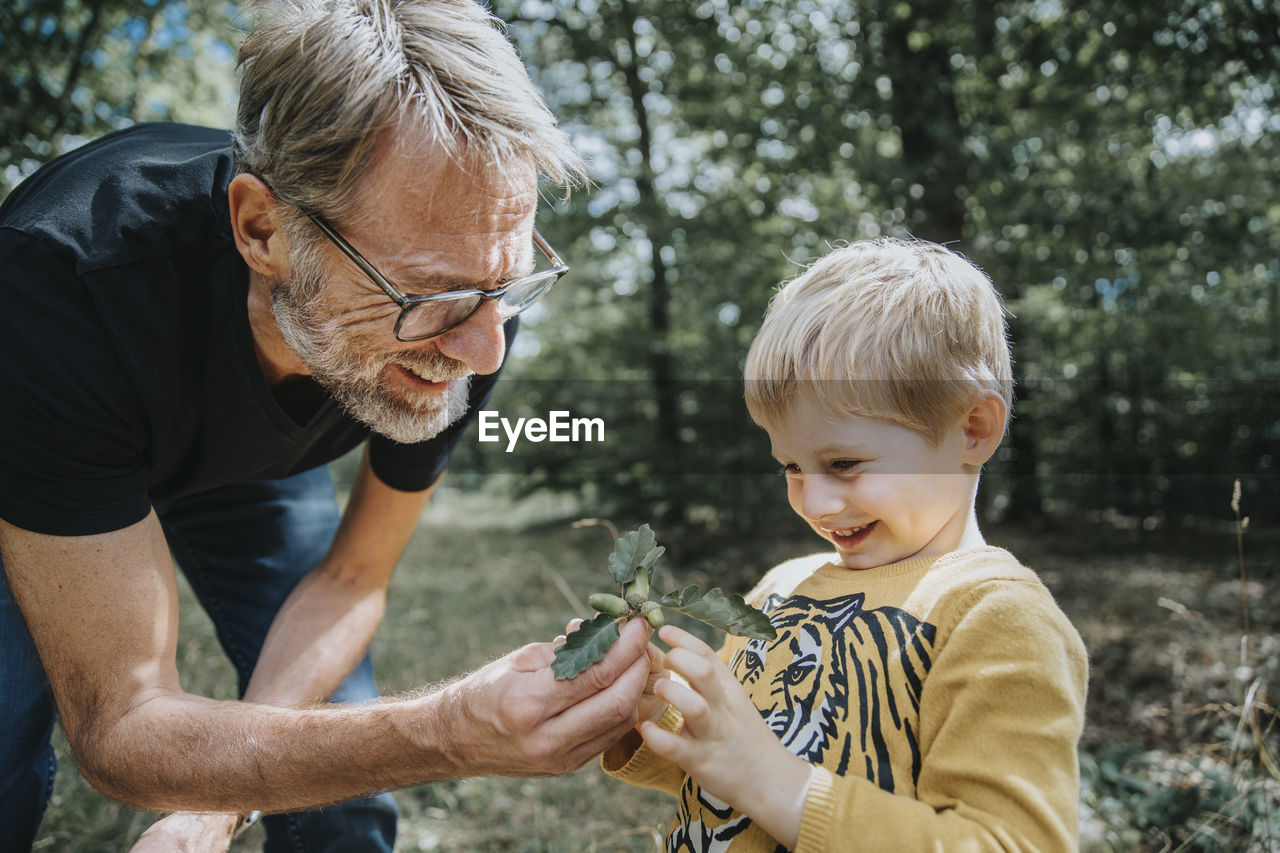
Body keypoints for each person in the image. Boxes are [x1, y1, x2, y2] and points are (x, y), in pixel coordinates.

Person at [0, 1, 653, 851]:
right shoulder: (61, 287)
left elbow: (351, 578)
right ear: (261, 228)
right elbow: (120, 729)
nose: (486, 352)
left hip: (249, 469)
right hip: (39, 444)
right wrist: (447, 730)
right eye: (431, 297)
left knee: (337, 768)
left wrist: (217, 802)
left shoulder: (472, 300)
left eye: (509, 287)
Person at [601, 237, 1089, 851]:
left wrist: (778, 785)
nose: (814, 501)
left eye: (845, 463)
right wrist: (649, 715)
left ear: (972, 430)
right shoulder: (781, 588)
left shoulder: (995, 618)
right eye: (792, 467)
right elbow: (729, 780)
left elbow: (1010, 841)